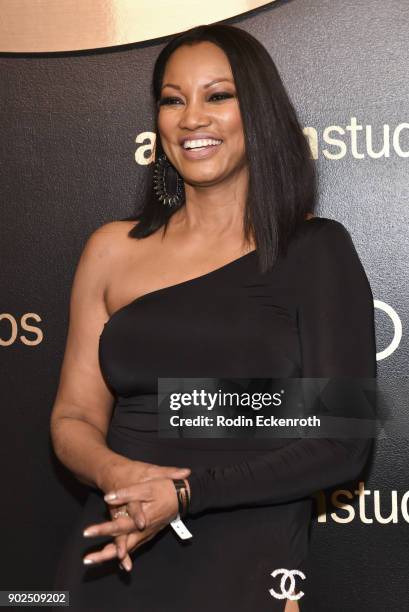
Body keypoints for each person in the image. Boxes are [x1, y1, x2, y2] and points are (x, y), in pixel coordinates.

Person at [50, 24, 376, 612]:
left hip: (248, 560)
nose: (191, 117)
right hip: (117, 546)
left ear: (258, 111)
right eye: (173, 99)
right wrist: (124, 479)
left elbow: (341, 442)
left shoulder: (315, 251)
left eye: (217, 96)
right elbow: (74, 415)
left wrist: (182, 493)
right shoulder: (111, 249)